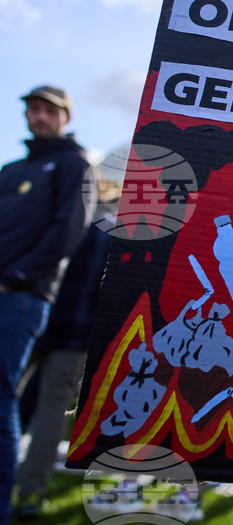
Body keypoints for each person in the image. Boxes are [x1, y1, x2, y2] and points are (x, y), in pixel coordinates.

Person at [0, 86, 93, 524]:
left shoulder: (75, 169)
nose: (38, 117)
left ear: (65, 117)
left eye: (48, 111)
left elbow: (65, 237)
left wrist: (16, 278)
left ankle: (26, 496)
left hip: (47, 312)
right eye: (32, 110)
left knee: (38, 410)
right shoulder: (16, 170)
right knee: (10, 403)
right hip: (32, 306)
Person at [12, 173, 117, 519]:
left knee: (11, 399)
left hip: (34, 317)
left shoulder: (63, 217)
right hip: (75, 334)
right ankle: (30, 493)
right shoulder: (114, 234)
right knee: (50, 413)